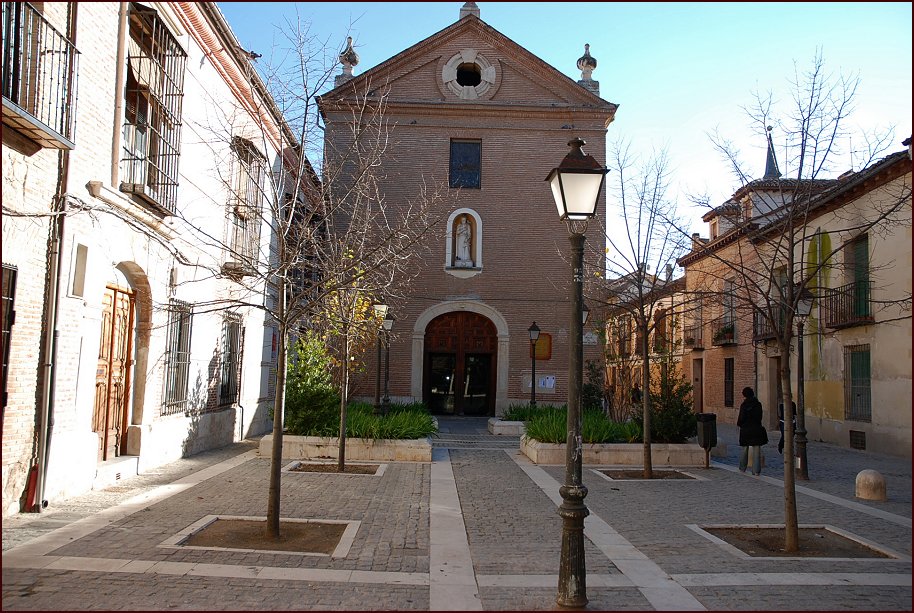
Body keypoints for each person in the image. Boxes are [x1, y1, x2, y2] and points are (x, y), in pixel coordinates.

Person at [737, 386, 768, 475]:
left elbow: (741, 418)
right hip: (756, 428)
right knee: (757, 449)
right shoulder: (758, 404)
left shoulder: (744, 405)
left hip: (746, 429)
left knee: (745, 449)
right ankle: (756, 470)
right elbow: (760, 417)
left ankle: (742, 468)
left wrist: (739, 424)